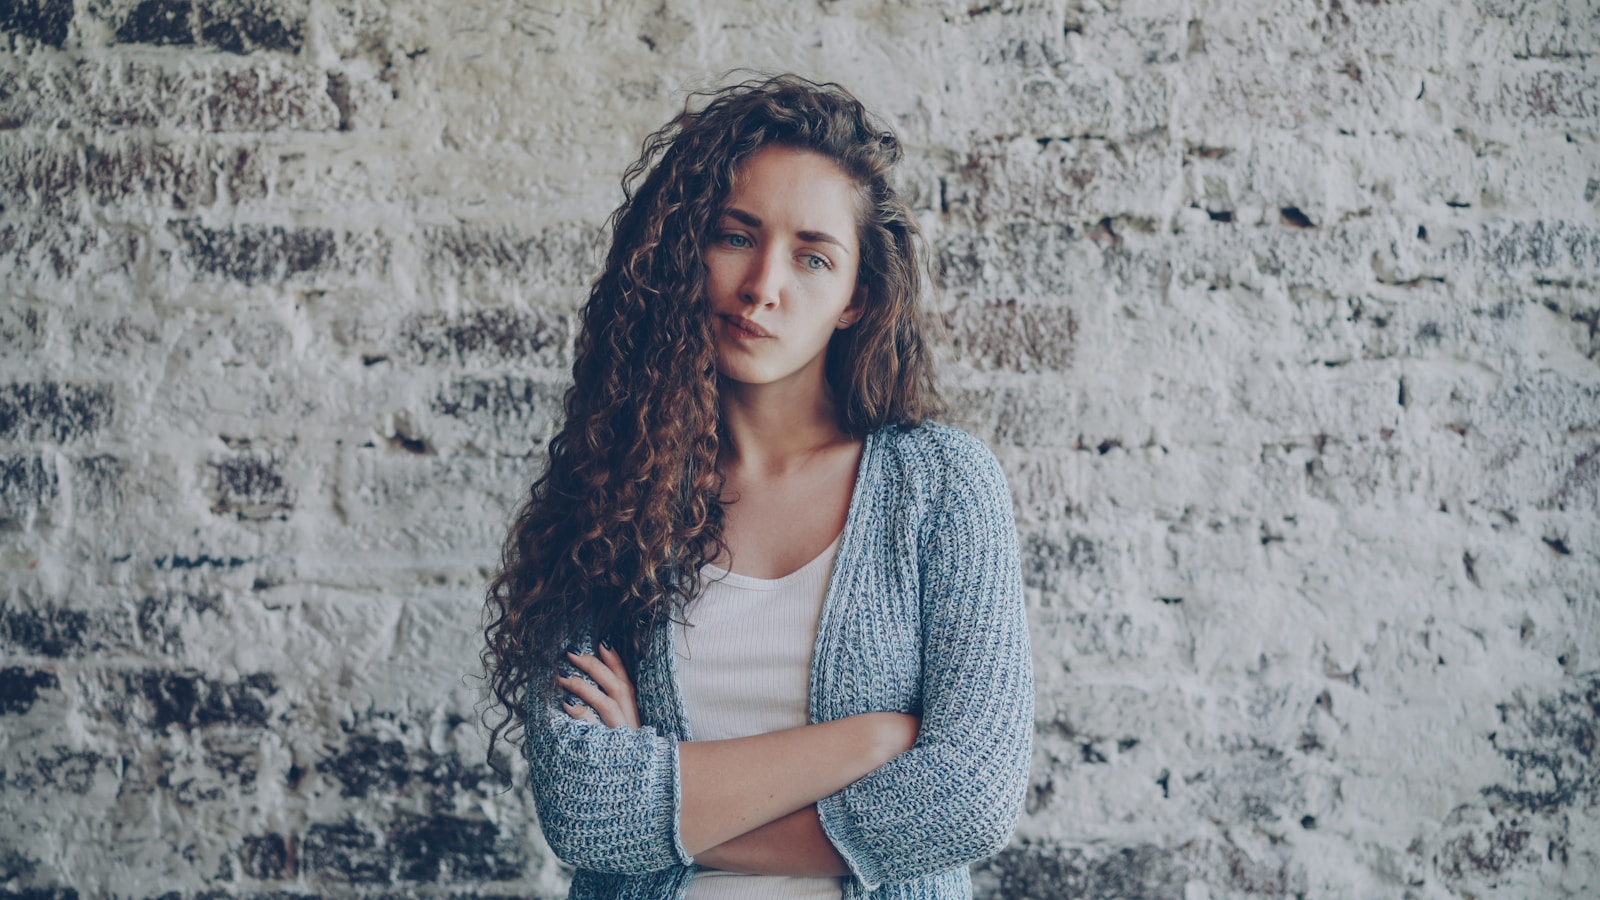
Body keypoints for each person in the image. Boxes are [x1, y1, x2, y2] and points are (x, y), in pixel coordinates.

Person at [481, 73, 1033, 899]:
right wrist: (871, 741)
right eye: (736, 236)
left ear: (856, 297)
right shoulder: (610, 494)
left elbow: (968, 799)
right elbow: (585, 811)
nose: (763, 287)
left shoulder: (941, 489)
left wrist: (669, 814)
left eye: (813, 256)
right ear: (684, 252)